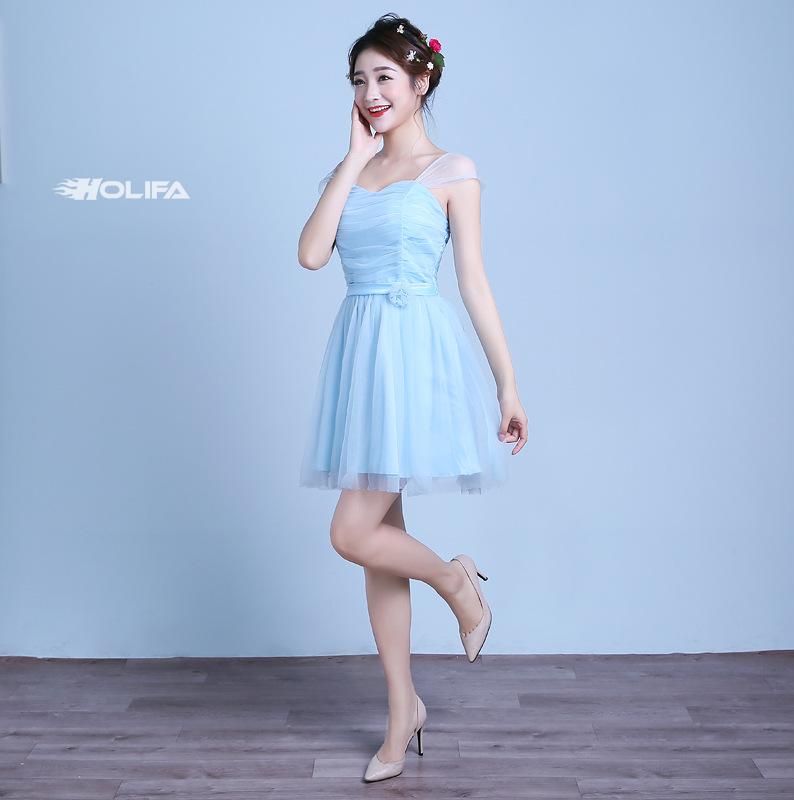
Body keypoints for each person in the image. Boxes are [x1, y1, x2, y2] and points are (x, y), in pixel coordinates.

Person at [297, 13, 528, 783]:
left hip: (412, 358)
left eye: (385, 78)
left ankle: (455, 582)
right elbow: (311, 254)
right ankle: (404, 710)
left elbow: (474, 283)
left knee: (353, 532)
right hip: (360, 360)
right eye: (359, 81)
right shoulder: (351, 172)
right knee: (377, 538)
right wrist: (351, 159)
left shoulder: (452, 170)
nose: (371, 93)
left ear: (422, 80)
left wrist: (507, 382)